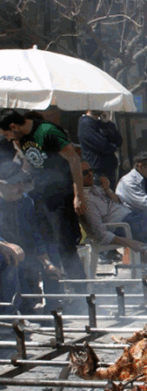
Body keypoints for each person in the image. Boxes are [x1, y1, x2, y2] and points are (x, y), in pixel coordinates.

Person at [0, 109, 86, 280]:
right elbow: (28, 163)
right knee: (46, 244)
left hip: (62, 194)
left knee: (65, 245)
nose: (7, 139)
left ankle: (80, 293)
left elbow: (74, 160)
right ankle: (57, 290)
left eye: (6, 134)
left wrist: (79, 195)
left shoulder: (47, 132)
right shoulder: (21, 138)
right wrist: (18, 183)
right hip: (41, 195)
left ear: (13, 126)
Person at [0, 161, 62, 314]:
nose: (21, 188)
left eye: (22, 182)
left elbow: (34, 235)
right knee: (9, 261)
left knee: (50, 255)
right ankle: (9, 315)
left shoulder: (26, 202)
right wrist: (4, 245)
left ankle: (52, 308)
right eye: (16, 184)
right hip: (4, 257)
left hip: (24, 256)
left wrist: (47, 263)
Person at [79, 160, 147, 255]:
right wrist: (130, 243)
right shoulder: (85, 200)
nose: (90, 174)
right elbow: (100, 233)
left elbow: (117, 201)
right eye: (85, 173)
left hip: (130, 216)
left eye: (91, 170)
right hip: (122, 225)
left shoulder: (97, 189)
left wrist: (107, 190)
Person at [77, 110, 123, 189]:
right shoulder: (86, 123)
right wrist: (113, 147)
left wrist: (107, 123)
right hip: (97, 171)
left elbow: (119, 141)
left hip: (108, 169)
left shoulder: (101, 123)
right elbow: (102, 145)